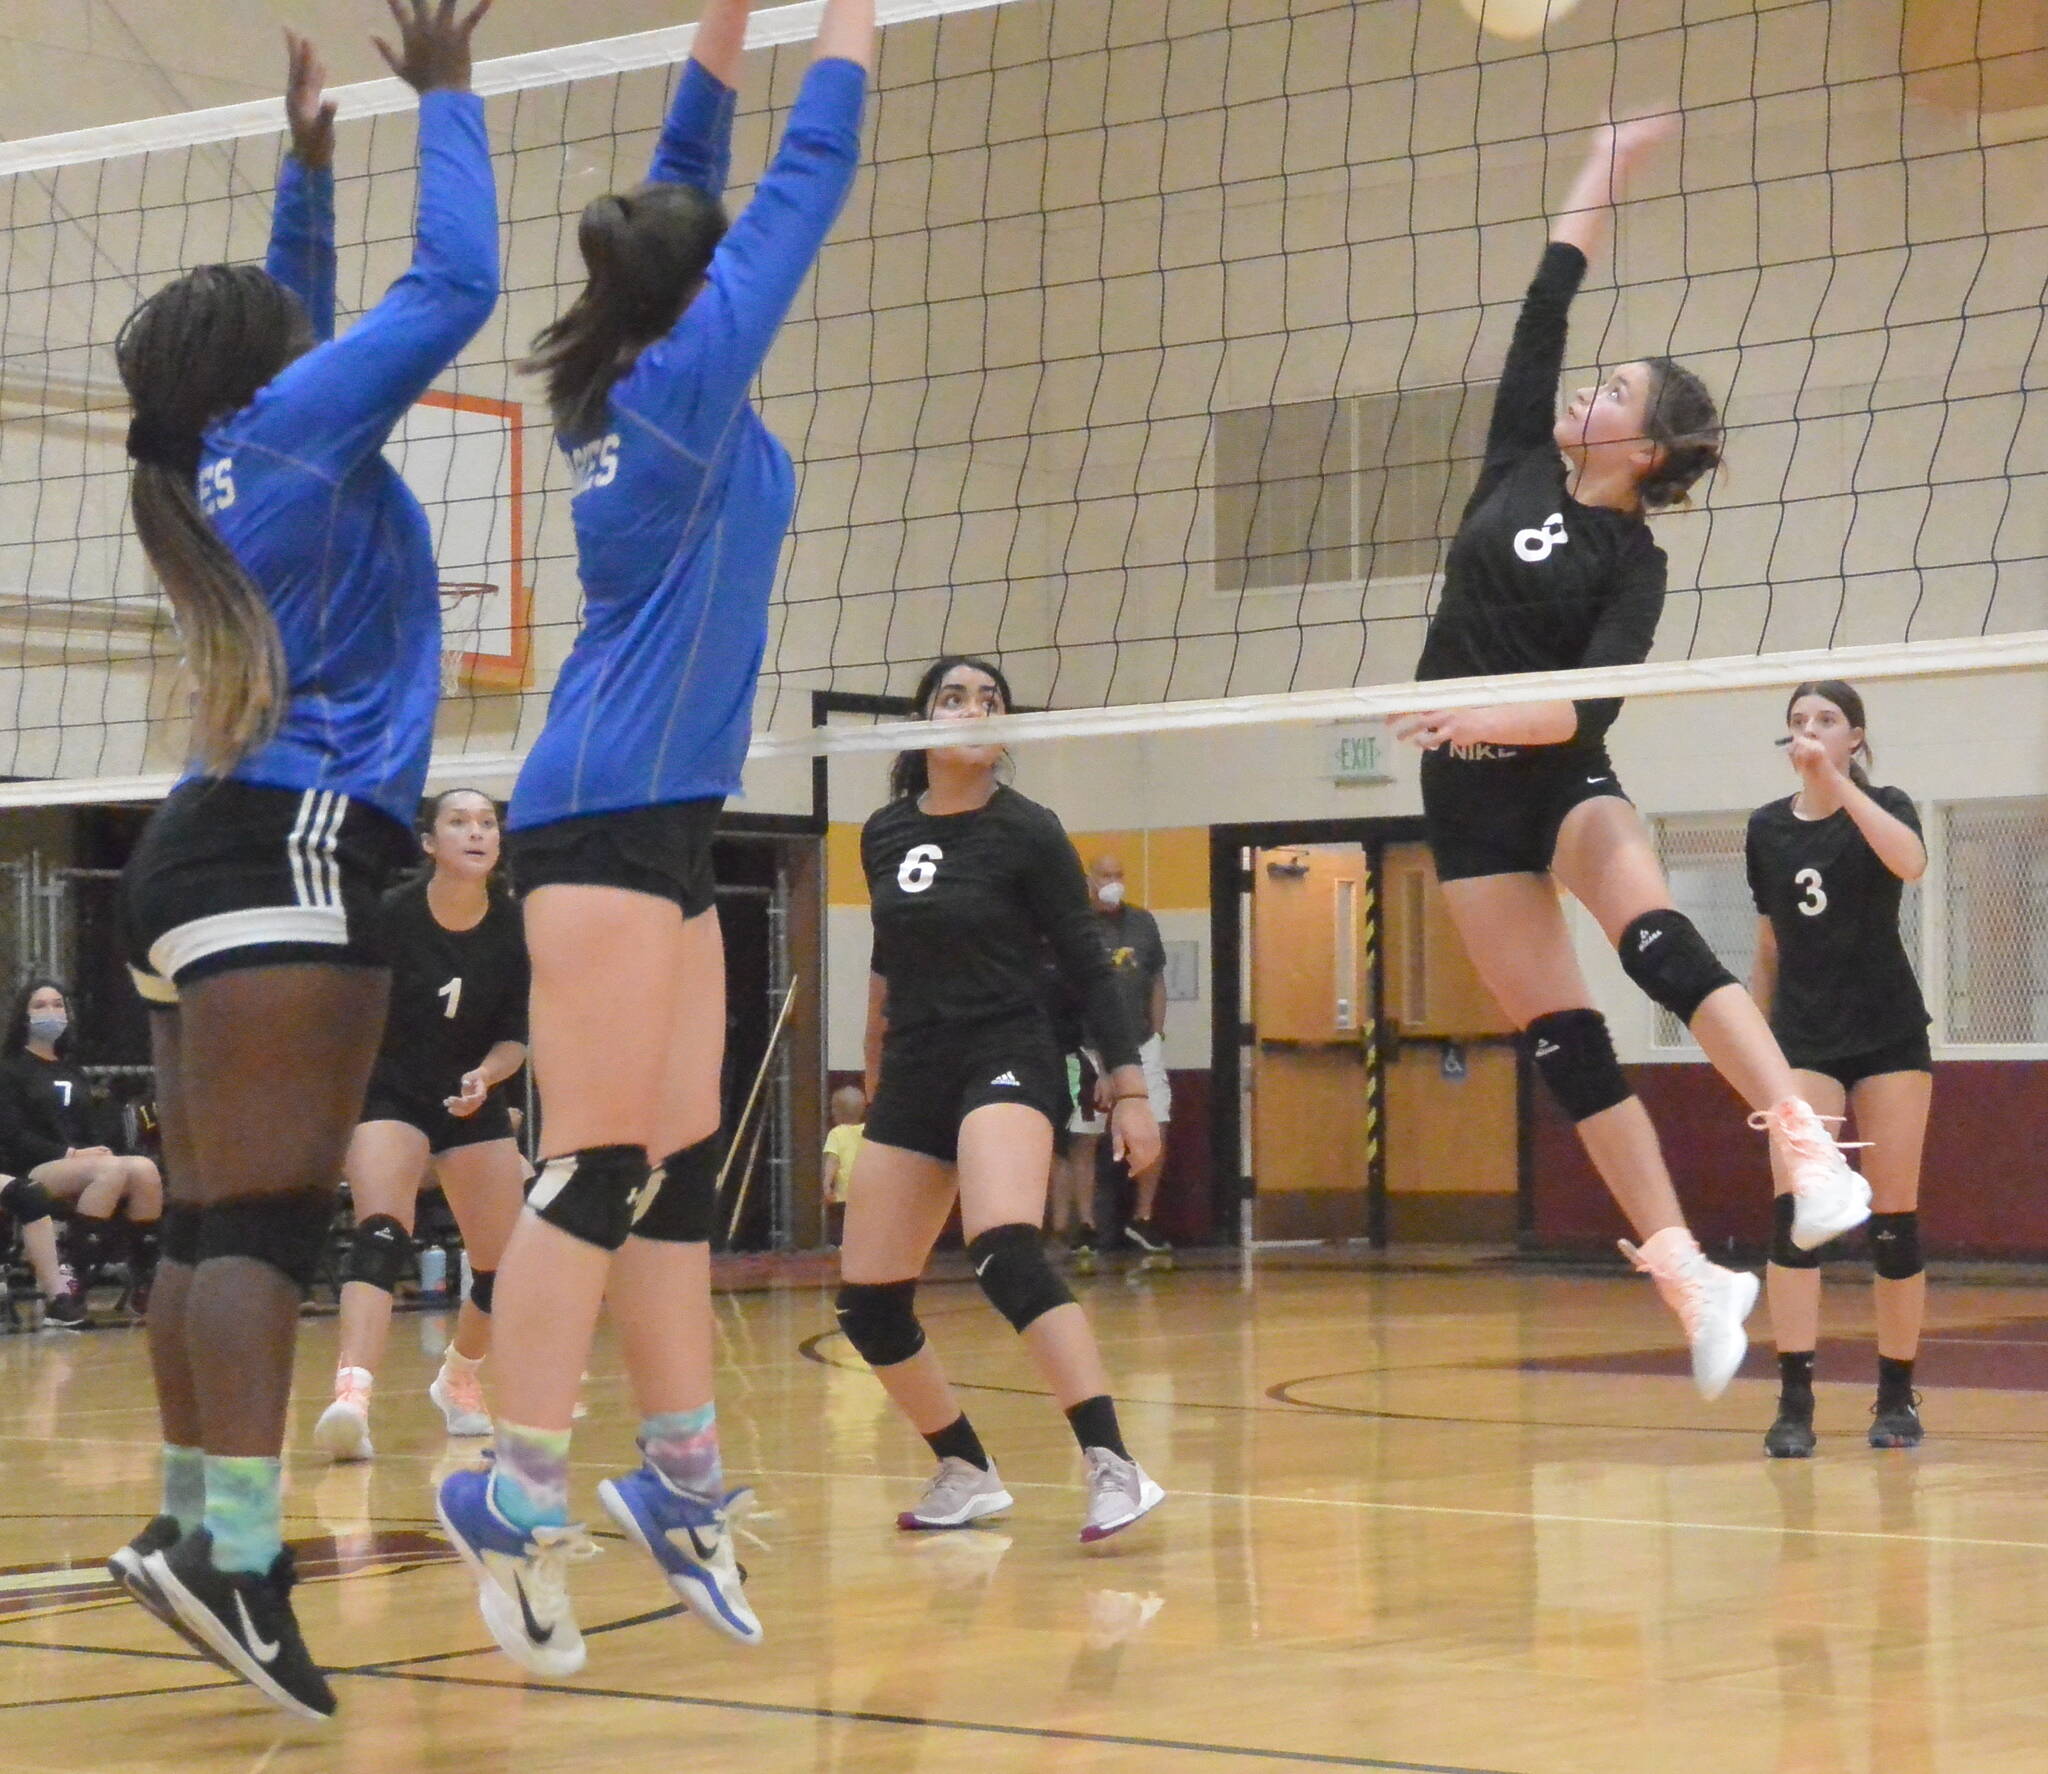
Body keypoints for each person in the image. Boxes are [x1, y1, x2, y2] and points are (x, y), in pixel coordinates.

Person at [433, 0, 872, 1678]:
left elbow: (691, 184)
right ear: (700, 291)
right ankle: (513, 1477)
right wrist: (850, 20)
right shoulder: (680, 377)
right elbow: (802, 177)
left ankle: (676, 1474)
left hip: (663, 812)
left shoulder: (622, 359)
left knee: (682, 1153)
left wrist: (722, 26)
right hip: (605, 806)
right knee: (601, 1157)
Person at [103, 6, 499, 1720]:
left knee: (204, 1215)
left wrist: (308, 167)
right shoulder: (293, 431)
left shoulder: (220, 445)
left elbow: (308, 320)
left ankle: (194, 1520)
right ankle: (240, 1561)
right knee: (263, 1216)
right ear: (267, 362)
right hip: (302, 839)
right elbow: (455, 290)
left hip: (193, 851)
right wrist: (451, 102)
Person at [1391, 115, 1868, 1400]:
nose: (1582, 391)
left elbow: (1572, 719)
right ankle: (1687, 1276)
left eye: (1613, 392)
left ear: (1646, 451)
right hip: (1463, 796)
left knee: (1651, 937)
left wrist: (1469, 714)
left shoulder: (1631, 565)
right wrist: (1601, 168)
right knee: (1561, 1042)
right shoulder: (1512, 457)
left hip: (1548, 776)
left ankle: (1810, 1153)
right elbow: (1546, 295)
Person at [838, 655, 1167, 1543]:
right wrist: (871, 1076)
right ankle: (966, 1468)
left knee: (1004, 1246)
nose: (973, 709)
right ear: (922, 724)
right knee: (867, 1301)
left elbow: (1090, 966)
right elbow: (885, 964)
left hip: (1008, 1053)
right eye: (953, 696)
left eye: (990, 699)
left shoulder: (1028, 831)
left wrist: (1128, 1089)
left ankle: (1113, 1465)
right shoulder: (882, 833)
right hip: (915, 1066)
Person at [314, 787, 531, 1461]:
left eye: (487, 823)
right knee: (382, 1232)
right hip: (389, 1090)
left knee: (507, 1266)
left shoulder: (516, 925)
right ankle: (352, 1395)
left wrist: (486, 1078)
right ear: (430, 843)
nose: (477, 833)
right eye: (459, 822)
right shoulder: (390, 916)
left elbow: (514, 1037)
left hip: (470, 1094)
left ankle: (460, 1376)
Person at [1749, 682, 1931, 1456]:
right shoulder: (1766, 829)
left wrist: (1840, 789)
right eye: (1798, 722)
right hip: (1803, 1040)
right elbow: (1766, 949)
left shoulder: (1885, 805)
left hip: (1888, 1033)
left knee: (1893, 1223)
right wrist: (1756, 1057)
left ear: (1855, 736)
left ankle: (1896, 1396)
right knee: (1798, 1218)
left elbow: (1912, 865)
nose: (1810, 731)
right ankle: (1794, 1402)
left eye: (1826, 721)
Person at [0, 978, 162, 1324]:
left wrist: (96, 1149)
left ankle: (144, 1279)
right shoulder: (10, 1070)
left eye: (58, 1005)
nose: (51, 1012)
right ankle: (70, 1278)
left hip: (79, 1164)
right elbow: (13, 1135)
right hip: (33, 1166)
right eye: (41, 1006)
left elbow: (90, 1129)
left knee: (144, 1171)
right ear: (24, 1017)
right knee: (111, 1171)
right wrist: (71, 1154)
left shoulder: (72, 1071)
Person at [1083, 855, 1174, 1260]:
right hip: (1087, 1046)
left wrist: (1156, 1029)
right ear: (1089, 880)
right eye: (1106, 875)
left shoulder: (1143, 923)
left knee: (1157, 1124)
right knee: (1083, 1136)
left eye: (1119, 875)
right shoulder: (1076, 925)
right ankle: (1084, 1226)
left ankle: (1142, 1218)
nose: (1113, 882)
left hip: (1140, 1044)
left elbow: (1156, 978)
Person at [822, 1083, 866, 1243]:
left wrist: (827, 1184)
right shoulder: (867, 1131)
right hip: (866, 1191)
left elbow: (832, 1161)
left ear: (836, 1112)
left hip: (844, 1193)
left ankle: (843, 1249)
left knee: (843, 1227)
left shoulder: (836, 1134)